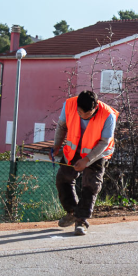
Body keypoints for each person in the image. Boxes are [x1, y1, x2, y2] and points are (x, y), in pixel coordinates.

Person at [51, 90, 118, 235]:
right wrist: (56, 146)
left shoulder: (108, 115)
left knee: (91, 185)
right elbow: (62, 126)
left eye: (86, 114)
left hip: (98, 152)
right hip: (74, 149)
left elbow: (104, 142)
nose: (82, 116)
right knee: (63, 179)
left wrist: (87, 160)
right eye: (80, 113)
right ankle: (72, 212)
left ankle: (81, 220)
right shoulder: (69, 105)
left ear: (95, 108)